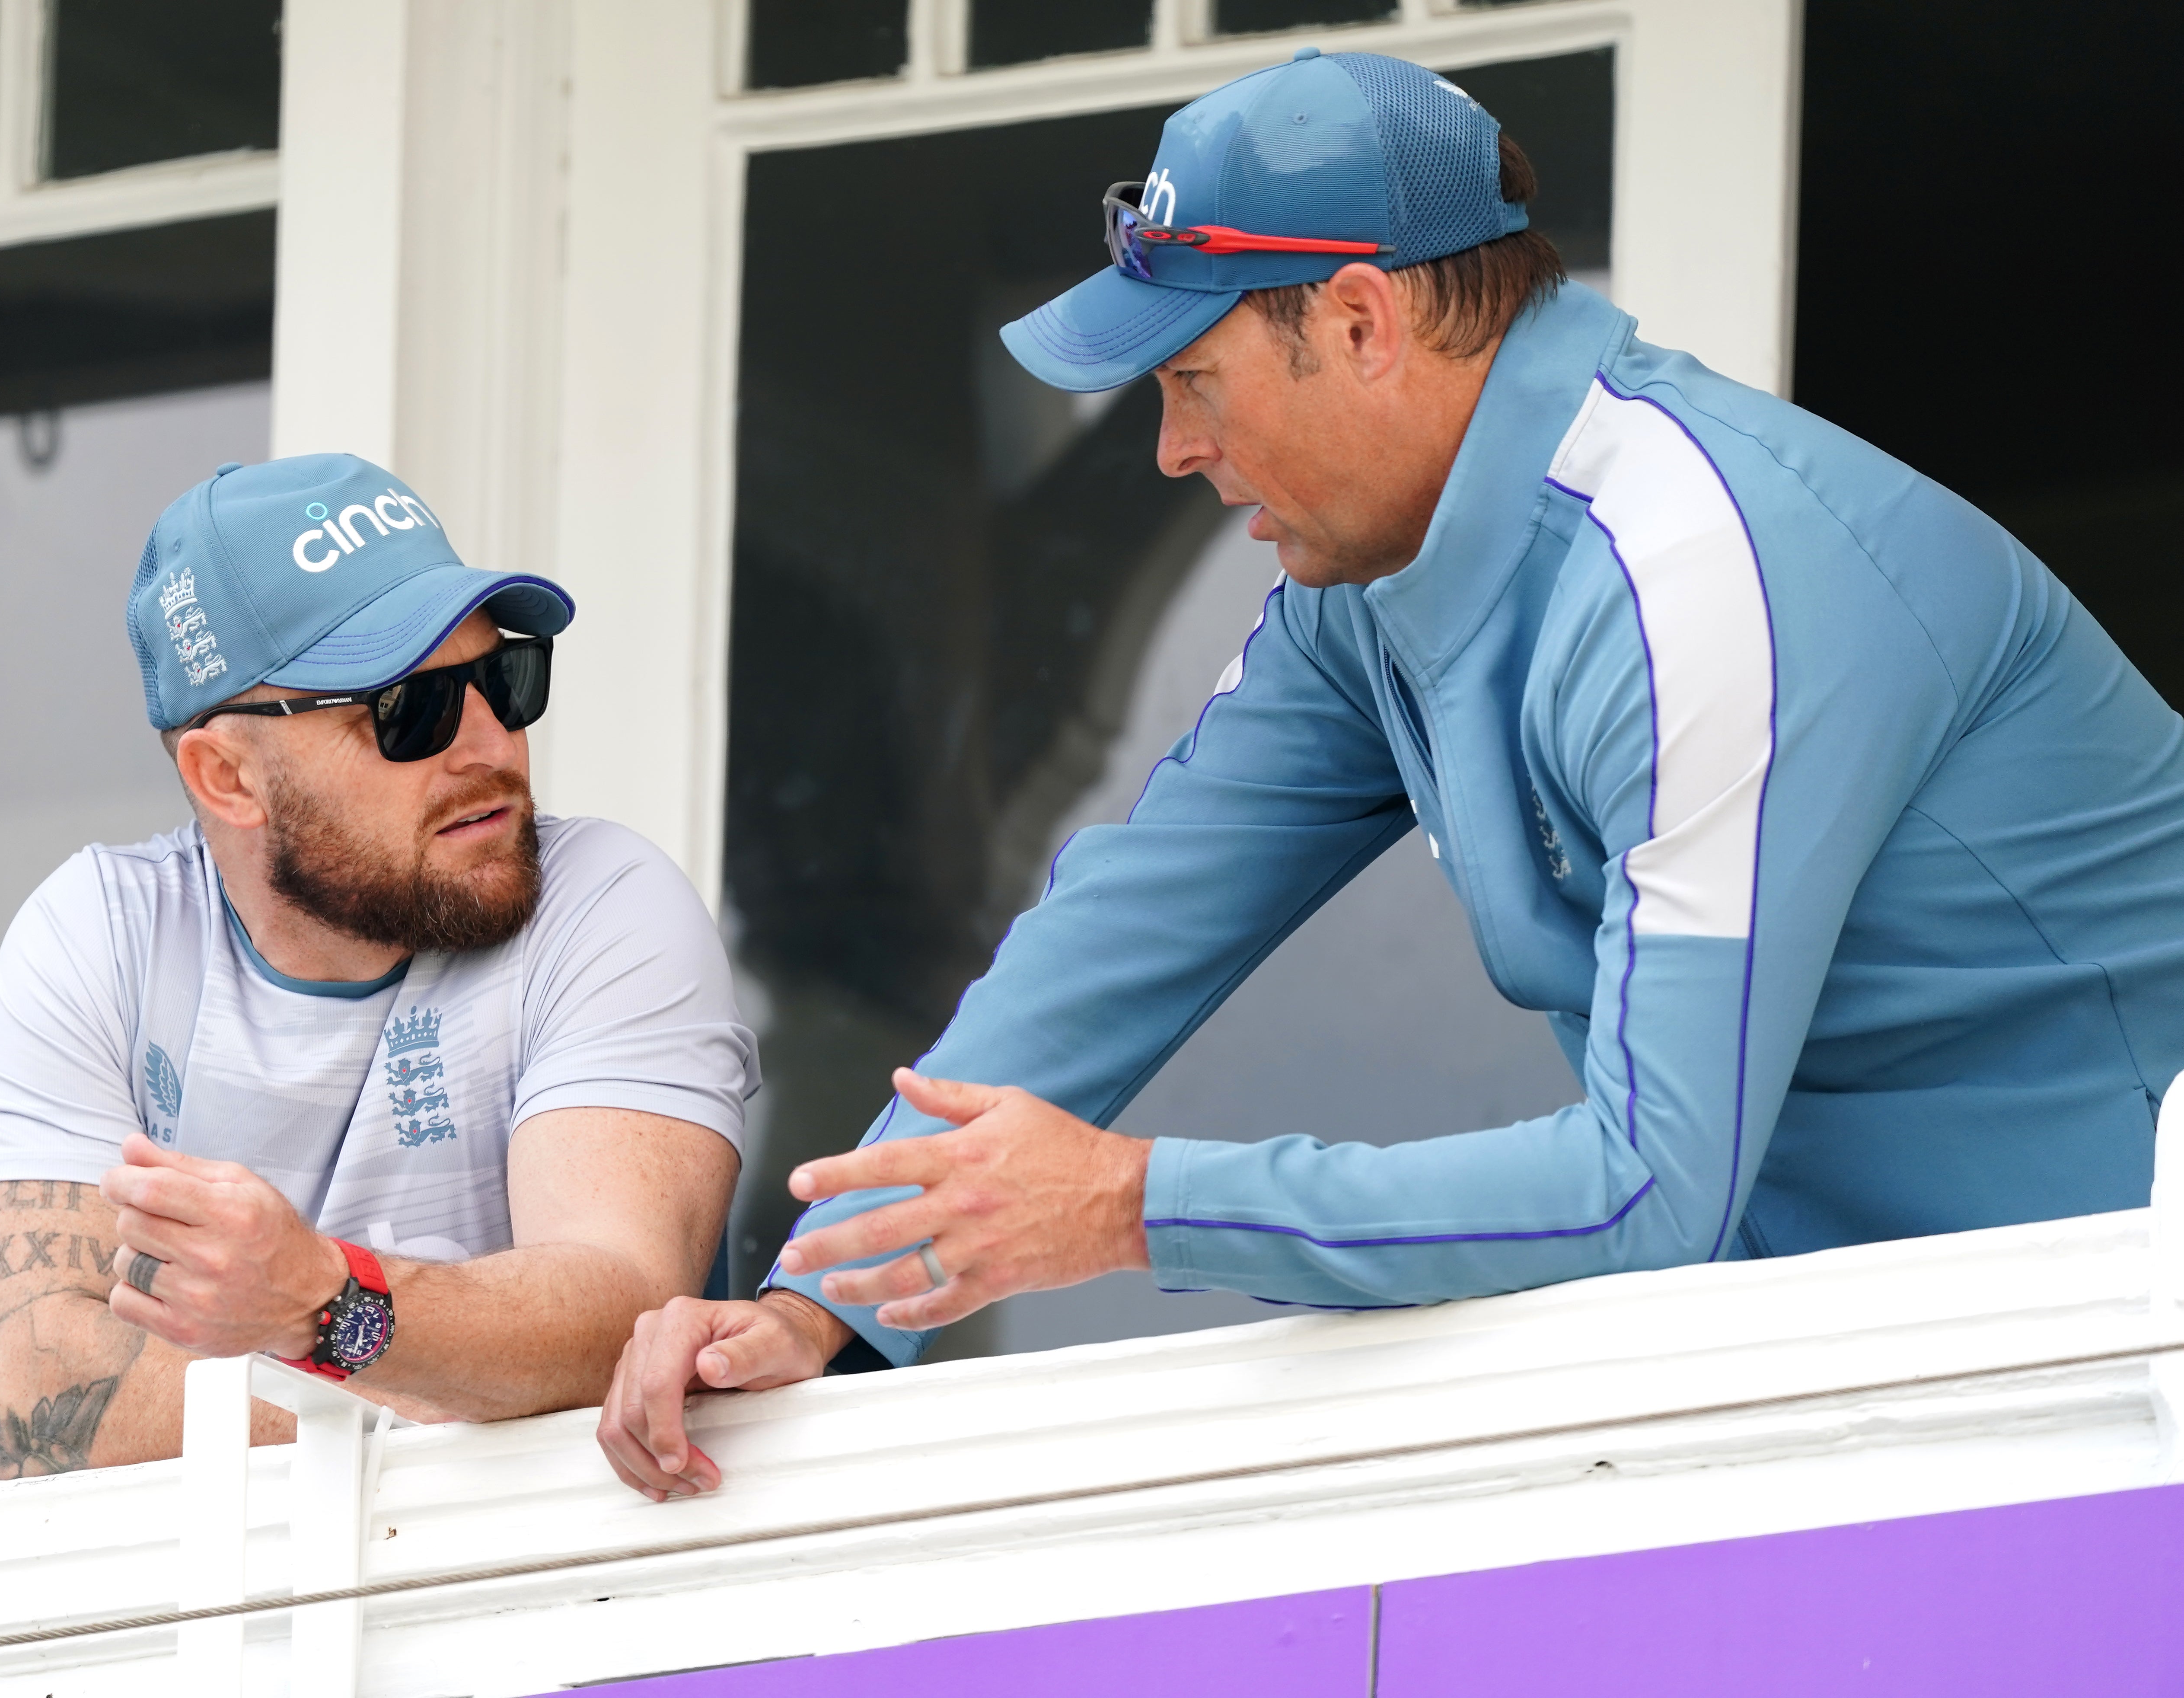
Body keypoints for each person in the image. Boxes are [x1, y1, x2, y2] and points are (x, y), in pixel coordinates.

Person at [597, 47, 2184, 1501]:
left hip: (2115, 1360)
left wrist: (1132, 1202)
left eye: (1193, 379)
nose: (1167, 450)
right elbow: (1128, 921)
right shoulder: (1364, 590)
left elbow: (1648, 1187)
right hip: (1867, 1383)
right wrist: (823, 1299)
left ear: (1360, 322)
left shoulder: (1706, 560)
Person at [0, 453, 756, 1477]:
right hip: (222, 1626)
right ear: (227, 776)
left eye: (504, 677)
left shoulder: (605, 898)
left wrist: (325, 1303)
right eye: (409, 709)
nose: (491, 743)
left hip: (582, 1614)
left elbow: (620, 1308)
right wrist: (460, 1391)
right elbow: (35, 1398)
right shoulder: (103, 934)